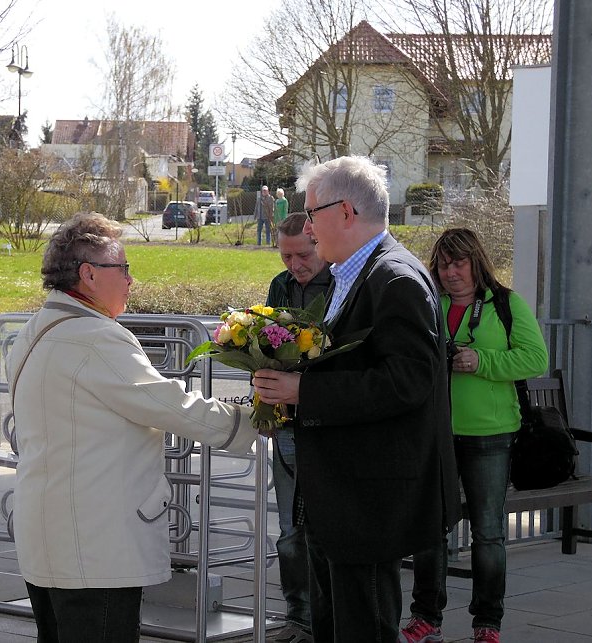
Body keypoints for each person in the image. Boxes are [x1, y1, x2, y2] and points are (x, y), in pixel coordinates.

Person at [7, 212, 258, 643]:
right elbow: (169, 405)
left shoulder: (33, 331)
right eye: (122, 268)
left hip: (49, 539)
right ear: (88, 275)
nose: (130, 280)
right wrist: (253, 422)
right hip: (95, 546)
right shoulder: (95, 337)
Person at [252, 156, 461, 643]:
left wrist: (304, 390)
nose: (307, 226)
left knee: (363, 625)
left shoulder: (396, 278)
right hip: (340, 494)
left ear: (345, 211)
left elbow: (408, 381)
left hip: (366, 499)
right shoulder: (357, 271)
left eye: (311, 213)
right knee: (337, 623)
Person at [400, 228, 549, 643]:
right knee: (431, 529)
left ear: (476, 262)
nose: (450, 273)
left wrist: (480, 360)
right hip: (437, 434)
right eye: (444, 264)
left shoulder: (506, 303)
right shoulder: (430, 304)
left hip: (490, 433)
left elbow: (536, 358)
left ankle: (488, 623)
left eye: (459, 263)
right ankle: (426, 617)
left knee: (488, 532)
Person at [265, 212, 331, 643]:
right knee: (289, 529)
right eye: (286, 256)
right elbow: (265, 343)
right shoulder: (280, 285)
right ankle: (298, 618)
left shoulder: (343, 282)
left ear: (319, 244)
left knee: (324, 528)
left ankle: (326, 619)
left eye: (302, 255)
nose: (295, 265)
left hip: (328, 422)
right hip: (289, 422)